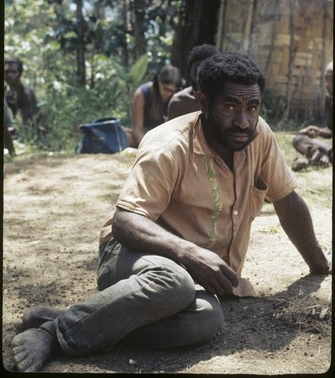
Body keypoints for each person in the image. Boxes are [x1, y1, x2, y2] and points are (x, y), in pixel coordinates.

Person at [11, 51, 331, 373]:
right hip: (133, 254)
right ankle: (54, 332)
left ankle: (81, 318)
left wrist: (319, 265)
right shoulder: (168, 145)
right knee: (173, 282)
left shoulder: (258, 136)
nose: (243, 120)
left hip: (194, 275)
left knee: (205, 321)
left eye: (252, 107)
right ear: (203, 101)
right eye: (230, 106)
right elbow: (125, 222)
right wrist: (187, 251)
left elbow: (286, 199)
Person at [127, 64, 181, 147]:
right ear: (158, 81)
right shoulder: (142, 93)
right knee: (127, 138)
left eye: (171, 91)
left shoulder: (178, 97)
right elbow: (137, 129)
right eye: (165, 89)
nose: (167, 93)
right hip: (145, 135)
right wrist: (149, 148)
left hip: (167, 137)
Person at [292, 60, 333, 170]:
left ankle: (324, 155)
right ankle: (319, 154)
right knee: (299, 139)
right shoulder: (330, 99)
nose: (327, 84)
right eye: (326, 78)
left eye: (332, 79)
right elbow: (330, 130)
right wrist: (319, 131)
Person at [167, 44, 218, 120]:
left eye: (204, 72)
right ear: (191, 71)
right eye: (196, 72)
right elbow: (169, 131)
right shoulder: (179, 101)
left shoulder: (221, 102)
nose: (199, 77)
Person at [4, 57, 39, 125]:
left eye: (13, 72)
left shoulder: (25, 93)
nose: (9, 75)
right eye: (6, 71)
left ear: (19, 74)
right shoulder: (5, 90)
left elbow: (27, 122)